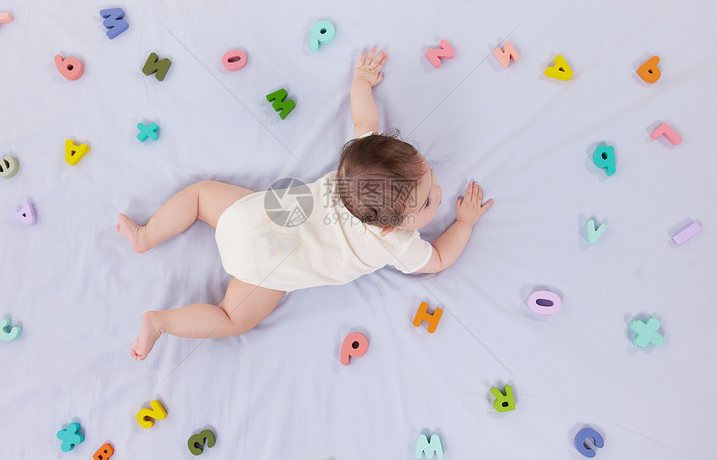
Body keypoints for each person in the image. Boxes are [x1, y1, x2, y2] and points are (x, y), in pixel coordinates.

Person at [117, 48, 493, 360]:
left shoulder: (363, 166)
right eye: (429, 202)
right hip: (262, 273)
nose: (440, 195)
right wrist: (464, 224)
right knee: (230, 318)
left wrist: (361, 81)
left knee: (199, 195)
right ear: (391, 227)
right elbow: (439, 260)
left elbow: (364, 117)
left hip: (249, 219)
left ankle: (147, 235)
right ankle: (162, 323)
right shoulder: (398, 243)